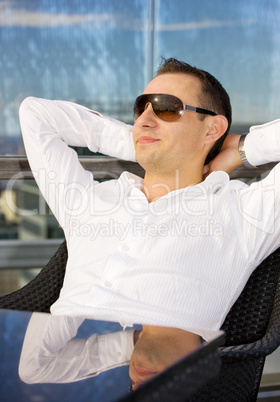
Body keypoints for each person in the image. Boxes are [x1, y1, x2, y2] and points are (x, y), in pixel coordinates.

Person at [18, 58, 280, 388]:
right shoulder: (91, 200)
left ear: (212, 128)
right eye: (141, 108)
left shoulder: (244, 213)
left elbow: (36, 367)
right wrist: (140, 138)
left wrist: (240, 150)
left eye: (167, 108)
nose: (144, 119)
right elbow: (36, 114)